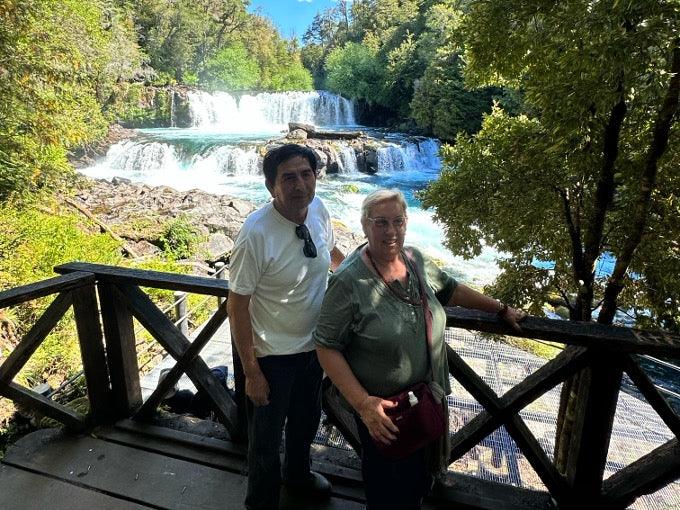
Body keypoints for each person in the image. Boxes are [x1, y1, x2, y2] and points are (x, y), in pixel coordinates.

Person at [313, 189, 526, 510]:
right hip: (383, 411)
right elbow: (326, 346)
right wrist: (363, 404)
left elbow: (452, 290)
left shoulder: (413, 260)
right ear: (365, 226)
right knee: (387, 489)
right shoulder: (348, 281)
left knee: (414, 483)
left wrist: (500, 308)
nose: (390, 231)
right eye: (381, 223)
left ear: (406, 223)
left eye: (397, 221)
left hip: (424, 399)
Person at [227, 143, 344, 510]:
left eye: (306, 174)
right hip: (272, 357)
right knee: (264, 439)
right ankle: (260, 501)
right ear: (271, 186)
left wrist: (367, 278)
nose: (299, 185)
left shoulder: (320, 210)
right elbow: (237, 305)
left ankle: (298, 475)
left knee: (306, 423)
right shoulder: (255, 233)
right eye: (288, 177)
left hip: (315, 349)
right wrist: (252, 371)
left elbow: (334, 255)